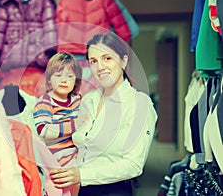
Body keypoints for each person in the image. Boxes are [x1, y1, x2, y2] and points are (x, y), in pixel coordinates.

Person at [49, 32, 158, 196]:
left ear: (123, 61)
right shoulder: (88, 100)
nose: (100, 67)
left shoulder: (139, 104)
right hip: (81, 189)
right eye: (94, 61)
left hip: (114, 191)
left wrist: (82, 175)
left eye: (107, 58)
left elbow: (133, 165)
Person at [33, 52, 88, 195]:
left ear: (76, 81)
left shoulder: (78, 100)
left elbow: (87, 121)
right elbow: (44, 131)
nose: (64, 80)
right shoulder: (44, 102)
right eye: (58, 75)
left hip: (77, 153)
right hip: (54, 156)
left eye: (69, 76)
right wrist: (74, 125)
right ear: (49, 80)